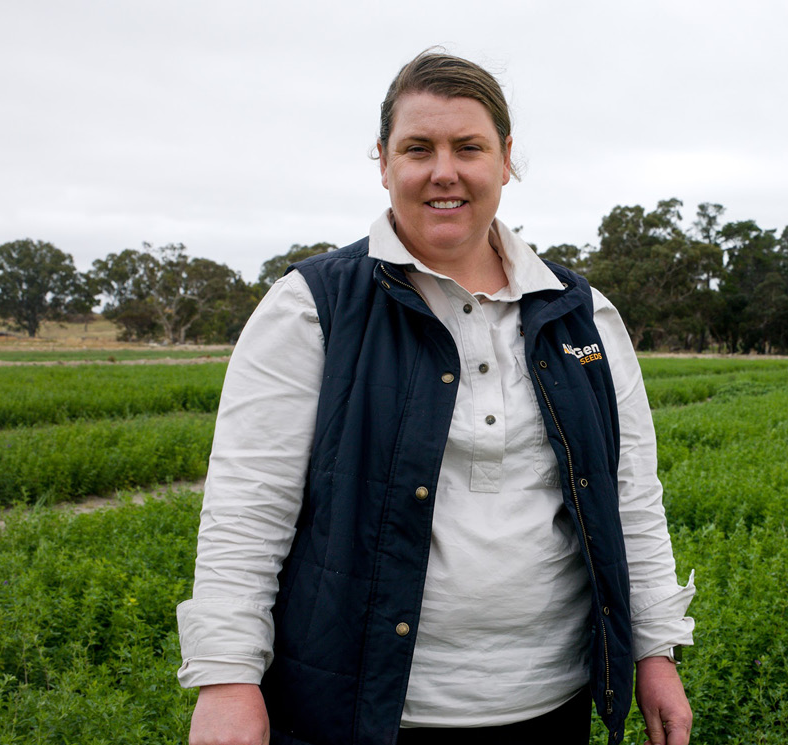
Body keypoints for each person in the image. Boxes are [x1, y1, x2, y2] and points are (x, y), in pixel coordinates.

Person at [177, 50, 695, 745]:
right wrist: (226, 678)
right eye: (417, 148)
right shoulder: (312, 307)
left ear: (505, 160)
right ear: (383, 162)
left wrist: (655, 649)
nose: (443, 171)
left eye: (468, 148)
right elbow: (248, 505)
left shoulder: (582, 314)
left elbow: (630, 495)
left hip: (551, 701)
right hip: (369, 713)